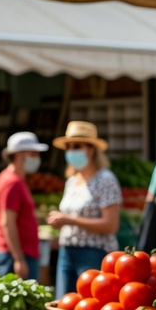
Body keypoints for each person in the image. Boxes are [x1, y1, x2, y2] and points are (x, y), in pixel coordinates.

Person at [47, 121, 122, 297]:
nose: (71, 151)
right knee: (64, 303)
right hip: (66, 252)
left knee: (89, 305)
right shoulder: (72, 181)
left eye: (77, 146)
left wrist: (69, 220)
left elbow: (111, 225)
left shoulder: (105, 180)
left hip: (94, 252)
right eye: (69, 147)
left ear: (91, 149)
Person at [0, 132, 45, 279]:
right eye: (33, 153)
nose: (36, 157)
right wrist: (19, 259)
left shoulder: (15, 179)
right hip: (16, 255)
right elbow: (7, 222)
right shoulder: (12, 182)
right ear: (19, 155)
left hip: (20, 253)